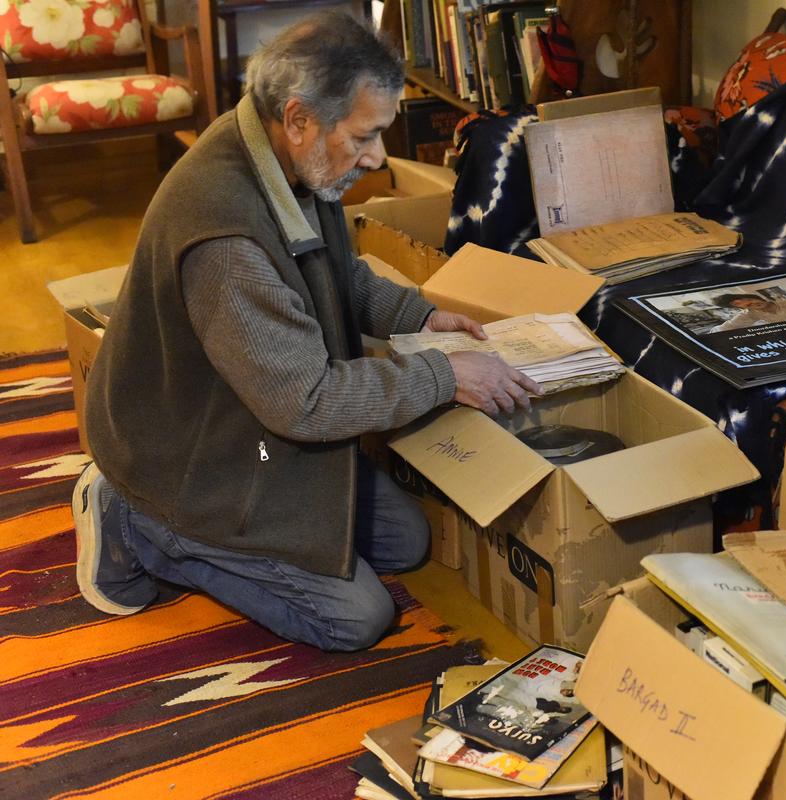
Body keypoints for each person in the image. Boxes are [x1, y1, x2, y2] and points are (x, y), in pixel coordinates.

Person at [71, 12, 540, 652]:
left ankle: (176, 524)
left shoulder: (285, 154)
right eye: (365, 136)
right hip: (192, 456)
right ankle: (139, 523)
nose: (377, 157)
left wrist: (418, 316)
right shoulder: (226, 240)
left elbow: (336, 270)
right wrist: (445, 374)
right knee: (355, 619)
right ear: (298, 119)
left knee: (407, 542)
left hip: (251, 422)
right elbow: (306, 403)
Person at [709, 292, 786, 332]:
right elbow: (726, 328)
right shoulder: (749, 314)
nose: (754, 304)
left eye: (749, 299)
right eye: (749, 305)